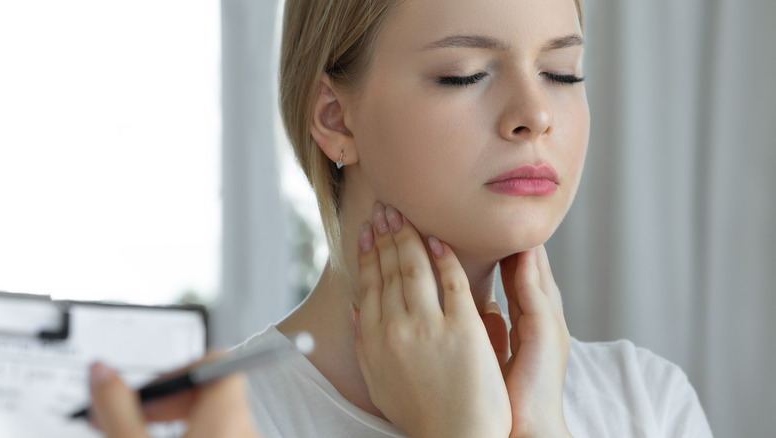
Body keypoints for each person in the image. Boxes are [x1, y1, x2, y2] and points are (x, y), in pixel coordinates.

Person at [90, 0, 713, 436]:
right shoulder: (208, 423)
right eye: (463, 75)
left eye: (561, 72)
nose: (535, 113)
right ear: (335, 117)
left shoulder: (646, 404)